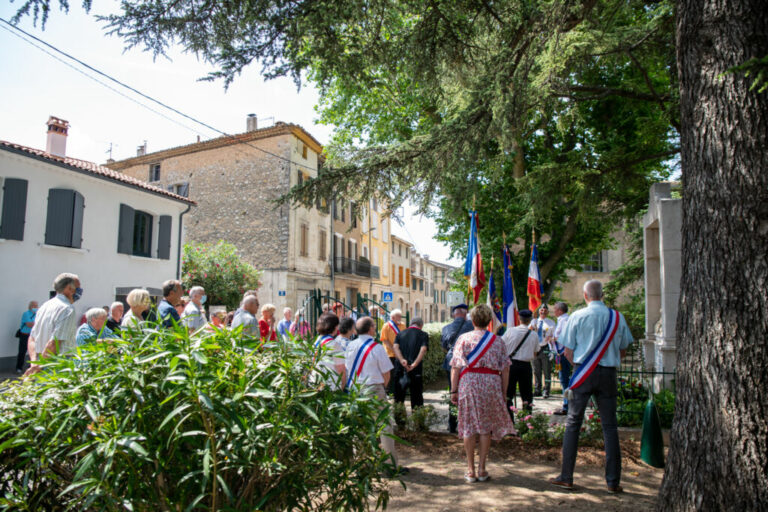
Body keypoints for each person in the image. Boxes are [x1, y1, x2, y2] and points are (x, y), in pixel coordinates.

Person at [549, 280, 634, 493]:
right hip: (608, 374)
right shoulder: (617, 317)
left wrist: (582, 366)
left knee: (573, 423)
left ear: (585, 295)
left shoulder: (577, 316)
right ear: (602, 295)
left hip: (582, 372)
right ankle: (613, 481)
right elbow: (623, 350)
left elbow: (567, 350)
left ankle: (566, 476)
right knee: (610, 427)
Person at [450, 304, 515, 483]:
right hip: (491, 384)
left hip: (469, 383)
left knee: (469, 426)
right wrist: (503, 393)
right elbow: (506, 369)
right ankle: (482, 469)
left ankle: (470, 470)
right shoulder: (498, 341)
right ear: (489, 320)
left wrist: (453, 390)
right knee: (486, 428)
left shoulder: (463, 338)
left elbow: (455, 367)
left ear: (473, 319)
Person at [345, 316, 407, 476]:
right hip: (373, 388)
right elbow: (386, 373)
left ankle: (361, 464)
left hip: (355, 390)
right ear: (371, 329)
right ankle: (389, 465)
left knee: (359, 427)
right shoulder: (376, 347)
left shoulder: (350, 346)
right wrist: (382, 388)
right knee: (385, 427)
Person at [25, 273, 82, 376]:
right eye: (78, 288)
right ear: (69, 288)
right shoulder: (67, 309)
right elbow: (55, 342)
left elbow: (32, 338)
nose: (79, 291)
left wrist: (34, 362)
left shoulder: (44, 306)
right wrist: (40, 365)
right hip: (58, 363)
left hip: (40, 360)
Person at [441, 303, 473, 433]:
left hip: (451, 362)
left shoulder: (446, 327)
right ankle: (467, 422)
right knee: (468, 393)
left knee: (453, 392)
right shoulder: (471, 326)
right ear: (466, 314)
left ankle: (452, 424)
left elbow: (444, 346)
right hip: (468, 362)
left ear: (454, 315)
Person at [501, 309, 538, 414]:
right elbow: (536, 352)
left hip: (511, 365)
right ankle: (526, 421)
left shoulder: (510, 331)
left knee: (508, 393)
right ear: (530, 319)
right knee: (527, 394)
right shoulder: (534, 335)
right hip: (525, 365)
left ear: (519, 318)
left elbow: (501, 345)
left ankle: (509, 420)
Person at [393, 317, 429, 413]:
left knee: (399, 397)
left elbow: (395, 347)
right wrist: (414, 364)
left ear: (411, 323)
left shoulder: (400, 334)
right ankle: (418, 421)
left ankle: (400, 421)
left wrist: (402, 360)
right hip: (416, 370)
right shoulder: (423, 334)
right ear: (421, 325)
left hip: (401, 369)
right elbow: (423, 350)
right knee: (417, 396)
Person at [548, 302, 571, 415]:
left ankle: (567, 406)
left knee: (564, 380)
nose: (554, 311)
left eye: (555, 309)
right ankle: (566, 404)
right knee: (564, 379)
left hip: (564, 354)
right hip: (561, 353)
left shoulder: (565, 320)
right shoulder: (562, 320)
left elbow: (566, 336)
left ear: (560, 311)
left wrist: (553, 339)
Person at [313, 312, 346, 390]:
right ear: (334, 327)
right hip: (330, 387)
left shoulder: (317, 341)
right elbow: (341, 370)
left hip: (315, 383)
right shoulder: (334, 344)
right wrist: (343, 386)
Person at [531, 304, 555, 398]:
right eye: (541, 310)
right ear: (539, 311)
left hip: (545, 348)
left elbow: (555, 335)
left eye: (545, 310)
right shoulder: (534, 321)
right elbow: (528, 332)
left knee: (546, 370)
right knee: (536, 370)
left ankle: (546, 390)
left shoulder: (551, 323)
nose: (543, 311)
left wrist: (551, 337)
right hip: (535, 348)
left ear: (548, 312)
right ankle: (537, 390)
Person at [380, 308, 406, 393]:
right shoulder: (386, 326)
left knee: (399, 373)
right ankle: (387, 391)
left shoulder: (403, 325)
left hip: (400, 354)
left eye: (400, 316)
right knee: (389, 373)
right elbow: (384, 340)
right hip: (389, 353)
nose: (399, 318)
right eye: (398, 316)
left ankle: (397, 391)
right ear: (392, 317)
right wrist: (394, 350)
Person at [15, 301, 37, 373]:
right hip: (25, 335)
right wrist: (36, 323)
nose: (35, 308)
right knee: (22, 352)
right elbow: (29, 324)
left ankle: (31, 367)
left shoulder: (37, 314)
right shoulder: (26, 314)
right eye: (34, 306)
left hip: (33, 335)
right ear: (30, 306)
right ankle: (19, 368)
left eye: (36, 306)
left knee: (33, 352)